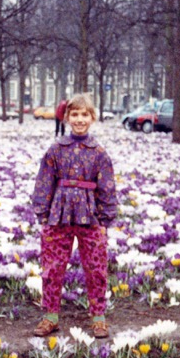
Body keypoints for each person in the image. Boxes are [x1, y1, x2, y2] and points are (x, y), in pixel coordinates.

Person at [31, 93, 118, 338]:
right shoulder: (56, 150)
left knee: (96, 267)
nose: (79, 120)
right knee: (52, 267)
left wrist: (106, 219)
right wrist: (42, 213)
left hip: (91, 217)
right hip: (58, 216)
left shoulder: (99, 153)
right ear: (67, 117)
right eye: (75, 115)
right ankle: (50, 316)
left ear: (92, 118)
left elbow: (107, 187)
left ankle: (99, 317)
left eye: (85, 115)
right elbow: (44, 182)